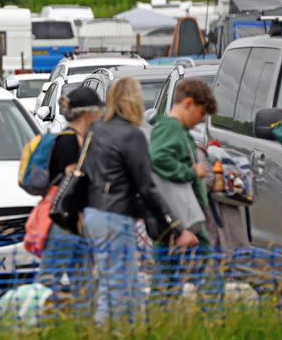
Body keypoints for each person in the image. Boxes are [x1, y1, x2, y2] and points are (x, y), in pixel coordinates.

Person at [83, 77, 198, 326]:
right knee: (116, 288)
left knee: (124, 285)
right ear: (135, 100)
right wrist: (177, 227)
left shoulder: (96, 129)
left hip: (94, 214)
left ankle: (133, 329)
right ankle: (107, 332)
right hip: (115, 217)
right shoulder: (132, 135)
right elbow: (146, 187)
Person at [149, 79, 217, 295]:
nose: (201, 121)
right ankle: (214, 320)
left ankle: (165, 319)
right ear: (188, 103)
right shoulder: (171, 129)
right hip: (180, 218)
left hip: (183, 217)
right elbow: (158, 158)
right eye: (201, 113)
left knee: (170, 278)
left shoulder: (177, 130)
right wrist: (191, 172)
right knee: (206, 276)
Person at [37, 87, 102, 301]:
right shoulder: (68, 142)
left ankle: (82, 327)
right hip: (66, 220)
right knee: (50, 278)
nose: (100, 116)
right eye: (98, 111)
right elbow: (73, 183)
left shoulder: (78, 140)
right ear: (87, 114)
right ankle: (38, 320)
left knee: (84, 279)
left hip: (77, 222)